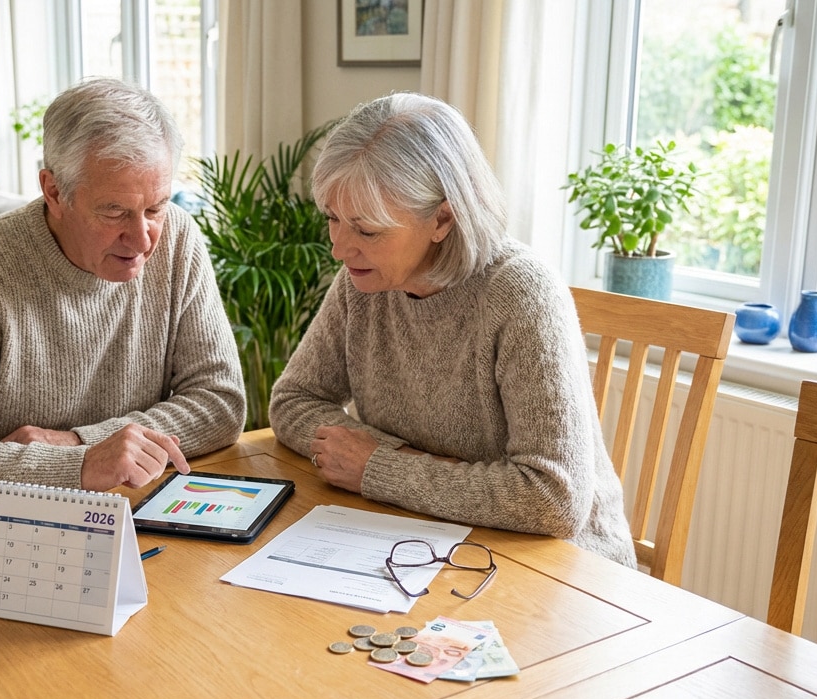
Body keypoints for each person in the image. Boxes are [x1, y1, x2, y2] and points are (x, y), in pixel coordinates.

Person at [268, 93, 635, 568]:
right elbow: (293, 401)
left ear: (443, 218)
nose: (340, 248)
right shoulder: (362, 284)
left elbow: (553, 498)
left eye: (367, 230)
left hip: (562, 568)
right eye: (333, 219)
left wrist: (379, 467)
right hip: (430, 541)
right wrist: (411, 466)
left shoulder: (521, 293)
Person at [0, 78, 246, 499]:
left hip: (134, 505)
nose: (143, 240)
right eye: (114, 212)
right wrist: (80, 466)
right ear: (54, 191)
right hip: (5, 527)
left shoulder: (179, 239)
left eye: (155, 207)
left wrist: (78, 442)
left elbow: (220, 404)